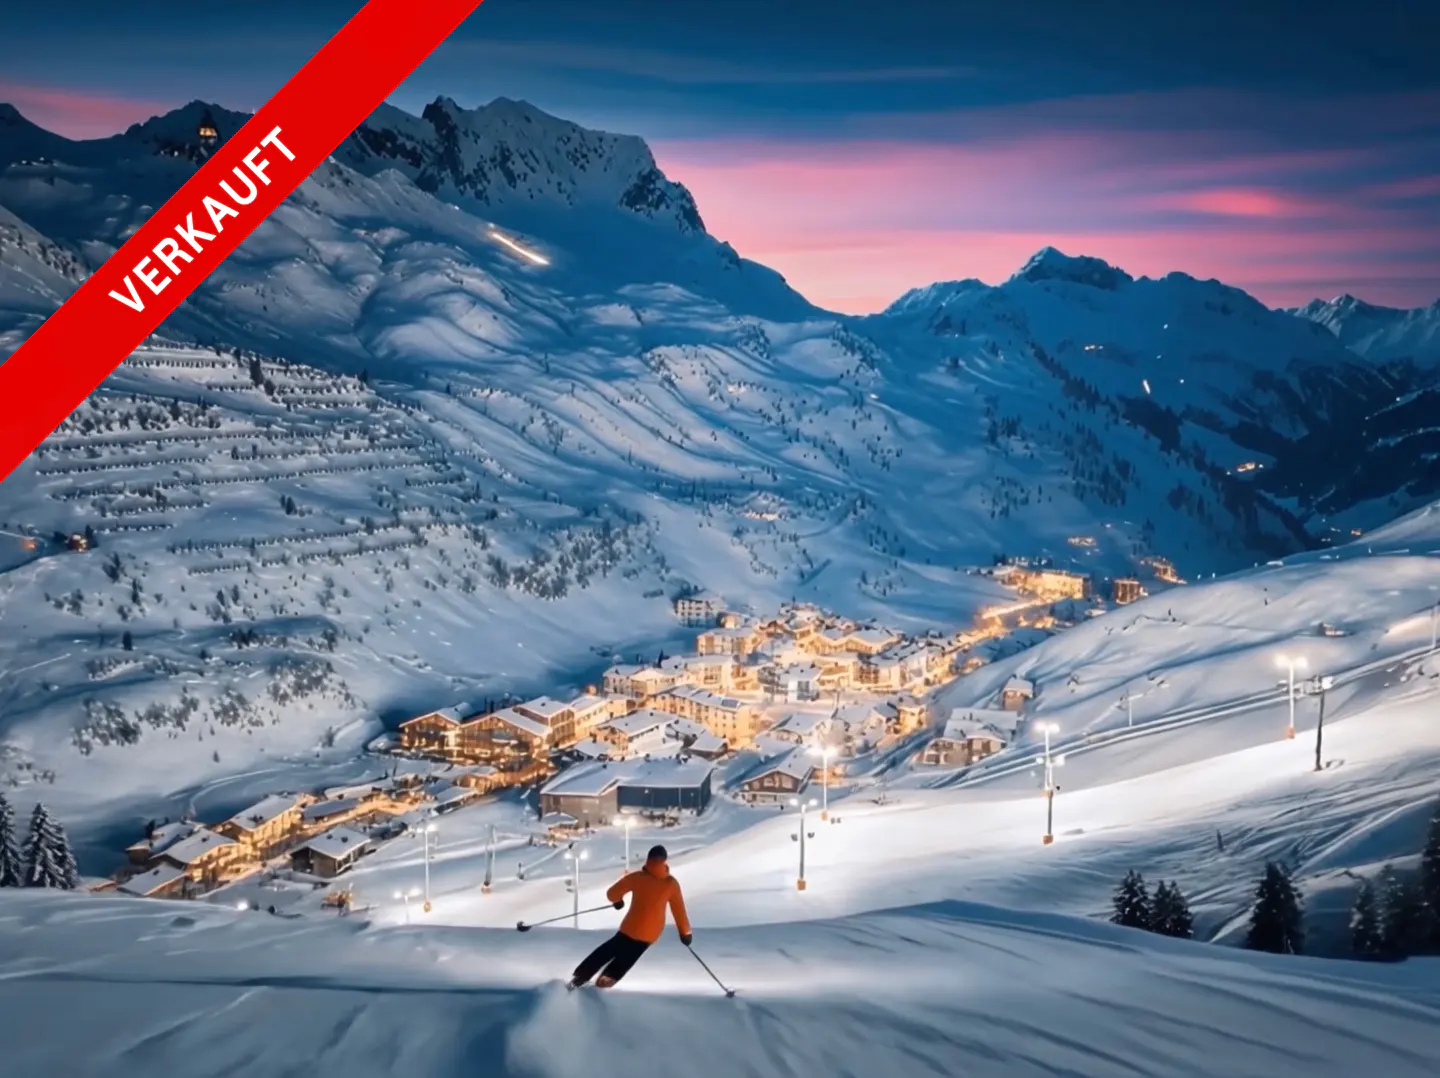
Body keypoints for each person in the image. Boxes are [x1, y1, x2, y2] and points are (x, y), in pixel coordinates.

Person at [568, 844, 691, 989]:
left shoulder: (636, 878)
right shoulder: (671, 884)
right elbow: (679, 911)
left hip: (629, 927)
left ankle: (580, 977)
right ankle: (606, 981)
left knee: (608, 950)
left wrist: (618, 901)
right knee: (628, 958)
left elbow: (612, 893)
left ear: (648, 860)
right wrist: (685, 933)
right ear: (665, 861)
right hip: (649, 934)